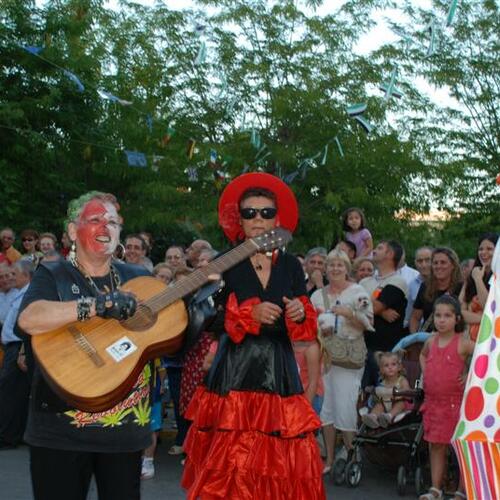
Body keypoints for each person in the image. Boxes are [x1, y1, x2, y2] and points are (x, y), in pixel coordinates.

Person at [181, 172, 325, 499]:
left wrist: (299, 313)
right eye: (249, 213)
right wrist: (247, 315)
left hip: (278, 373)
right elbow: (201, 315)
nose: (258, 219)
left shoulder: (290, 265)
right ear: (239, 220)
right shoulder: (224, 262)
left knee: (278, 466)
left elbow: (303, 316)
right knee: (229, 465)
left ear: (277, 219)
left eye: (265, 212)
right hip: (233, 372)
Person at [17, 191, 152, 500]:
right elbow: (29, 318)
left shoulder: (139, 277)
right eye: (95, 219)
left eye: (113, 221)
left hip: (125, 434)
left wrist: (203, 313)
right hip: (60, 433)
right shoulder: (53, 273)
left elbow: (167, 338)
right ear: (71, 231)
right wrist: (97, 305)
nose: (106, 227)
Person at [311, 249, 373, 473]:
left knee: (345, 407)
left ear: (347, 269)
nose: (335, 269)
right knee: (326, 409)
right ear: (325, 269)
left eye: (340, 265)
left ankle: (351, 454)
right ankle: (328, 459)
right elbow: (311, 326)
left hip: (348, 358)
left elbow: (368, 324)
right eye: (331, 265)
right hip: (325, 357)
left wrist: (348, 314)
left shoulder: (358, 292)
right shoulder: (317, 296)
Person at [419, 296, 474, 500]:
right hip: (434, 403)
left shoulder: (463, 344)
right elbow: (423, 356)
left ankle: (462, 488)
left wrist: (470, 375)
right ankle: (435, 487)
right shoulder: (430, 341)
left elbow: (485, 356)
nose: (442, 320)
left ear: (457, 319)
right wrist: (425, 372)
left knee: (460, 448)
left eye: (447, 316)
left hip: (458, 404)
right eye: (438, 315)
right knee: (436, 445)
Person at [360, 240, 408, 387]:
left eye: (379, 248)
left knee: (382, 394)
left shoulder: (398, 282)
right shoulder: (364, 282)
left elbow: (371, 308)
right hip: (362, 346)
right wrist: (382, 312)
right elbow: (352, 305)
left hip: (385, 351)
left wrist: (376, 308)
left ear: (390, 254)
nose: (374, 250)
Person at [0, 260, 34, 448]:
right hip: (12, 347)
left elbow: (26, 326)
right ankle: (14, 434)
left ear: (25, 276)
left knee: (9, 394)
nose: (12, 277)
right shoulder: (22, 293)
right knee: (14, 393)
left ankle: (8, 437)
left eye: (15, 274)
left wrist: (22, 352)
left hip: (18, 347)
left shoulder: (27, 294)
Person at [410, 247, 462, 333]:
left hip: (454, 340)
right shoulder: (425, 286)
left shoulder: (461, 287)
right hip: (428, 340)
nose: (438, 266)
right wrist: (414, 337)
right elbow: (415, 317)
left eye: (443, 262)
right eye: (435, 263)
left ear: (453, 265)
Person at [459, 233, 498, 341]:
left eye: (489, 249)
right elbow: (459, 312)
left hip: (492, 341)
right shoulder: (472, 277)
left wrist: (478, 280)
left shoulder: (478, 277)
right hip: (469, 341)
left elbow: (490, 307)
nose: (484, 253)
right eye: (480, 249)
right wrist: (486, 319)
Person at [360, 351, 410, 429]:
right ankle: (373, 417)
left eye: (393, 364)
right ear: (382, 369)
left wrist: (401, 393)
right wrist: (373, 391)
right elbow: (377, 393)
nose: (390, 367)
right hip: (385, 404)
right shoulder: (381, 382)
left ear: (399, 367)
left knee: (400, 403)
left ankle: (389, 416)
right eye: (386, 365)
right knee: (379, 405)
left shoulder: (402, 380)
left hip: (399, 405)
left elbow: (407, 392)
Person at [404, 246, 433, 330]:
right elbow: (408, 315)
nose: (424, 265)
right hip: (419, 333)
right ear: (415, 263)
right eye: (420, 261)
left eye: (427, 260)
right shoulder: (411, 285)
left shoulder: (443, 283)